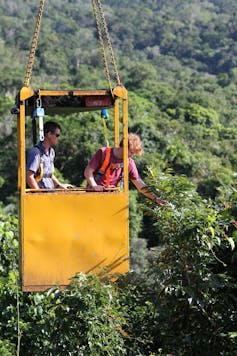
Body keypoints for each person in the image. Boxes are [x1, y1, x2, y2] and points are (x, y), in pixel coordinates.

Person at [84, 133, 167, 206]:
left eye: (134, 153)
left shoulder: (129, 163)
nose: (132, 155)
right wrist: (94, 185)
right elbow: (88, 172)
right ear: (123, 147)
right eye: (131, 152)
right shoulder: (103, 152)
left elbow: (140, 184)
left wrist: (156, 199)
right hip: (94, 196)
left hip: (111, 199)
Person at [26, 121, 73, 190]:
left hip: (49, 191)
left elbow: (49, 174)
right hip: (40, 194)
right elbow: (29, 176)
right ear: (49, 134)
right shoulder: (36, 152)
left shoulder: (51, 152)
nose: (58, 138)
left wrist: (60, 185)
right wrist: (39, 194)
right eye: (57, 135)